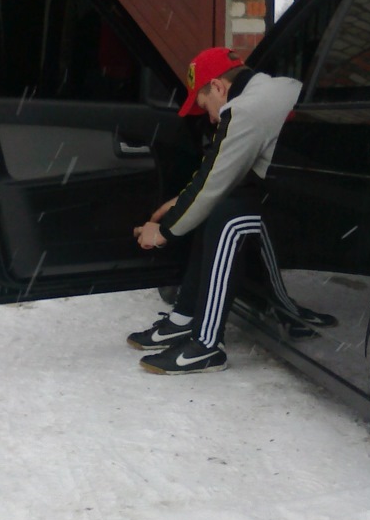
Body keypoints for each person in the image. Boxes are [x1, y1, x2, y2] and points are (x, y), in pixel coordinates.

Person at [129, 46, 332, 375]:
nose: (210, 118)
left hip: (317, 215)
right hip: (316, 202)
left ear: (219, 87)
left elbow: (212, 184)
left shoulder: (245, 110)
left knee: (228, 217)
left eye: (205, 105)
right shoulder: (278, 87)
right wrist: (178, 203)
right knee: (219, 207)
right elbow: (221, 175)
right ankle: (184, 319)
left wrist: (163, 232)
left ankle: (207, 346)